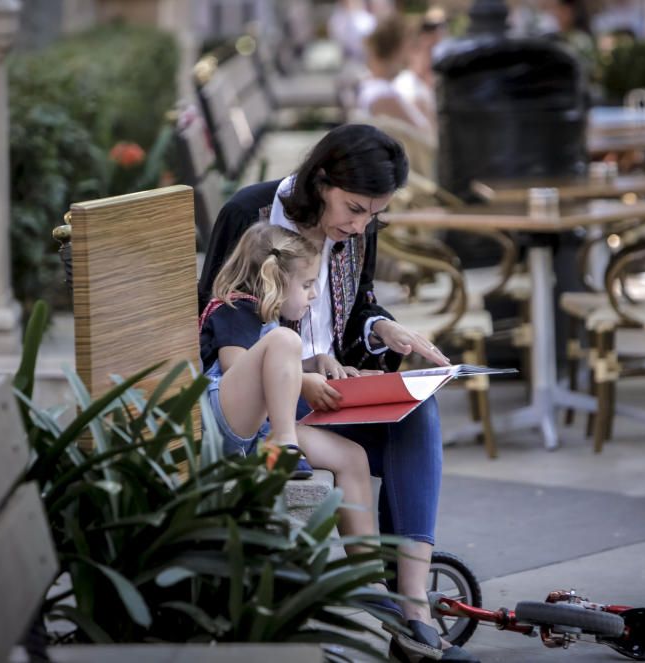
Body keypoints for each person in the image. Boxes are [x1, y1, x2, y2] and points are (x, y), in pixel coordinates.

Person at [199, 124, 478, 662]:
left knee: (419, 409)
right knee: (381, 431)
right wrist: (302, 372)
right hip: (270, 398)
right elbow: (215, 321)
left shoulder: (358, 228)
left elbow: (357, 314)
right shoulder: (249, 216)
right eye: (354, 208)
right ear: (321, 181)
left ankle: (413, 608)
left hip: (328, 381)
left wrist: (382, 329)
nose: (361, 224)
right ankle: (383, 601)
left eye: (375, 214)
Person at [199, 223, 381, 561]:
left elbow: (270, 369)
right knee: (285, 340)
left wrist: (315, 364)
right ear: (275, 282)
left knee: (352, 456)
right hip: (222, 424)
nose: (313, 295)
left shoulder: (266, 320)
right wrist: (302, 378)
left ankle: (367, 572)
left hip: (257, 434)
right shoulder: (235, 310)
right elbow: (236, 369)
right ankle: (284, 445)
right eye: (308, 285)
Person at [357, 14, 435, 134]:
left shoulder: (380, 88)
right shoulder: (381, 94)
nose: (411, 53)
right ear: (397, 49)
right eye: (409, 45)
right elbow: (424, 136)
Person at [394, 7, 447, 128]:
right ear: (412, 51)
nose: (434, 55)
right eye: (429, 49)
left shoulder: (441, 84)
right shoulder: (404, 86)